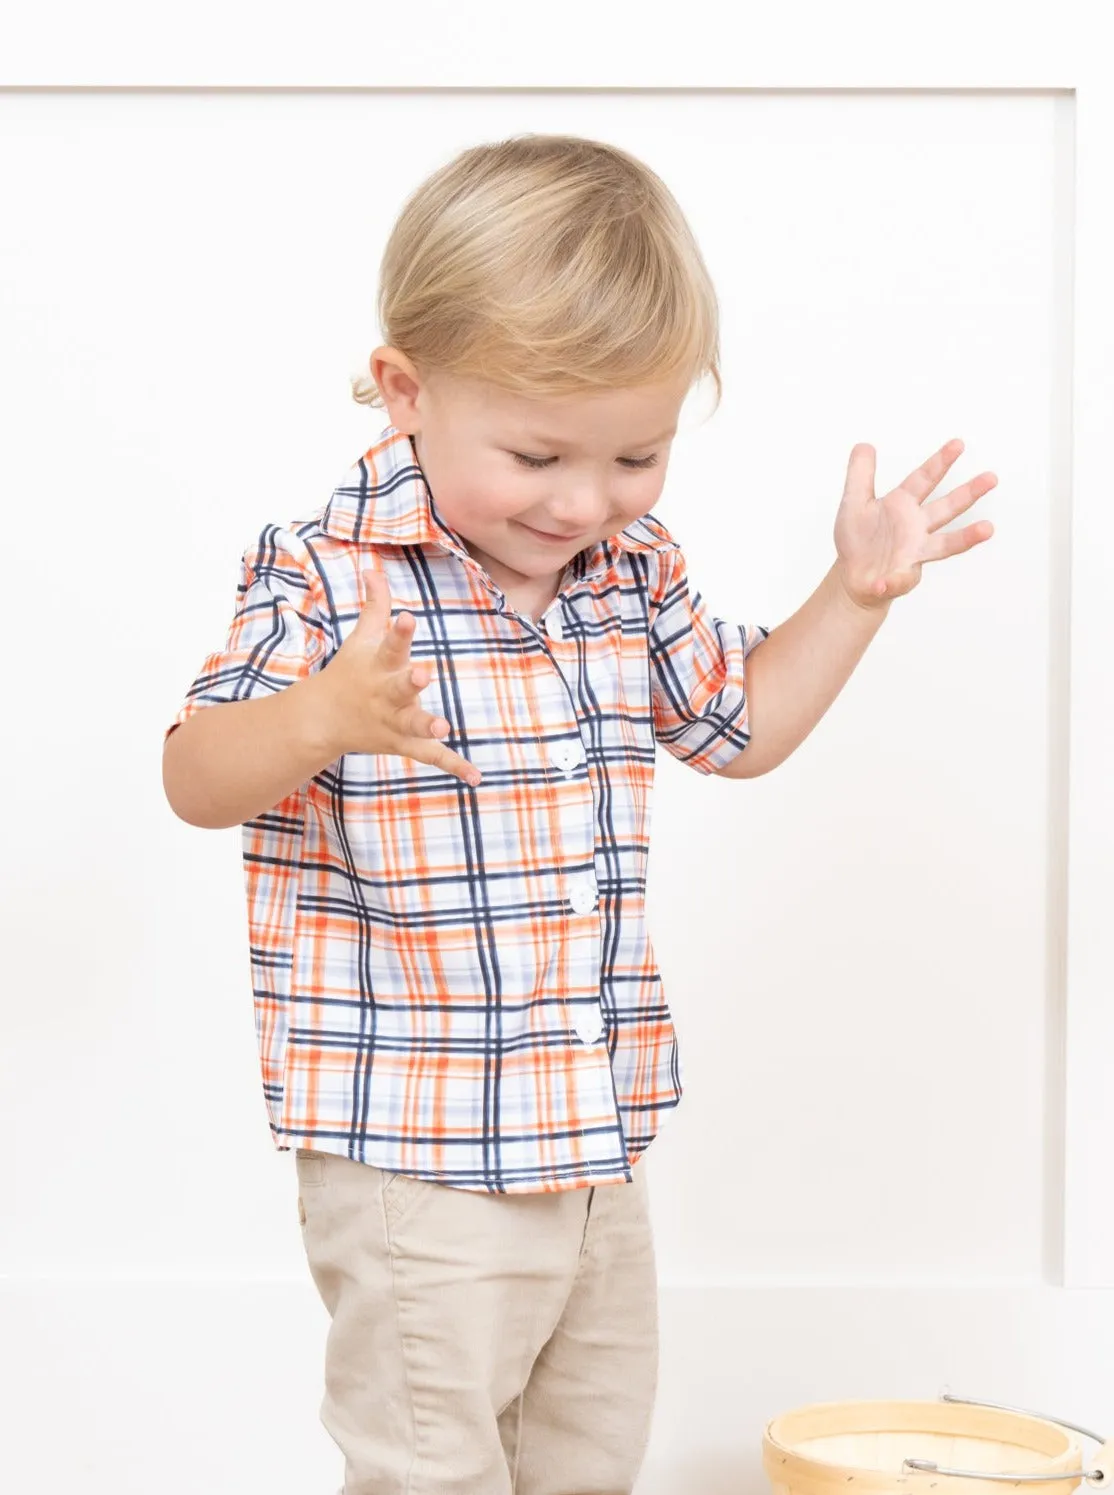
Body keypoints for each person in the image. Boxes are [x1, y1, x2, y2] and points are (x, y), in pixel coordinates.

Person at [162, 132, 996, 1495]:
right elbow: (194, 773)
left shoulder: (629, 570)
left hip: (593, 1137)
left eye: (635, 454)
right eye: (539, 451)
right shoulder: (324, 575)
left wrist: (849, 596)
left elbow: (738, 725)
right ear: (405, 390)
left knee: (584, 1448)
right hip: (416, 1152)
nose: (580, 500)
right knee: (432, 1459)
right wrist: (318, 717)